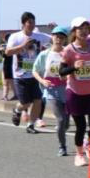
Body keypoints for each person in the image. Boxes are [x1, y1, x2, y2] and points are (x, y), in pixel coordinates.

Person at [59, 19, 90, 167]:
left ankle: (88, 144)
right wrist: (74, 68)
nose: (84, 31)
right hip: (75, 92)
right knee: (81, 127)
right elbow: (61, 72)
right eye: (80, 28)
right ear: (74, 32)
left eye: (86, 28)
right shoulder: (69, 50)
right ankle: (79, 154)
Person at [4, 11, 47, 134]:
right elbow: (7, 52)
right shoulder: (15, 37)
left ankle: (31, 125)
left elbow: (56, 40)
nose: (32, 25)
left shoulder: (39, 36)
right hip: (20, 75)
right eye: (29, 22)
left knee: (38, 101)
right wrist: (23, 46)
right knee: (26, 103)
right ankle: (17, 110)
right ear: (23, 23)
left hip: (36, 74)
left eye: (34, 22)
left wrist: (54, 29)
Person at [33, 27, 71, 156]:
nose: (58, 39)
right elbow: (35, 71)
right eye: (56, 36)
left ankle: (62, 129)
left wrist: (68, 75)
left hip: (67, 90)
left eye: (61, 37)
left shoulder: (67, 53)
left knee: (66, 123)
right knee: (60, 120)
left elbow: (73, 69)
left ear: (65, 39)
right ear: (52, 37)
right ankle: (62, 146)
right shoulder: (45, 54)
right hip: (51, 90)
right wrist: (42, 81)